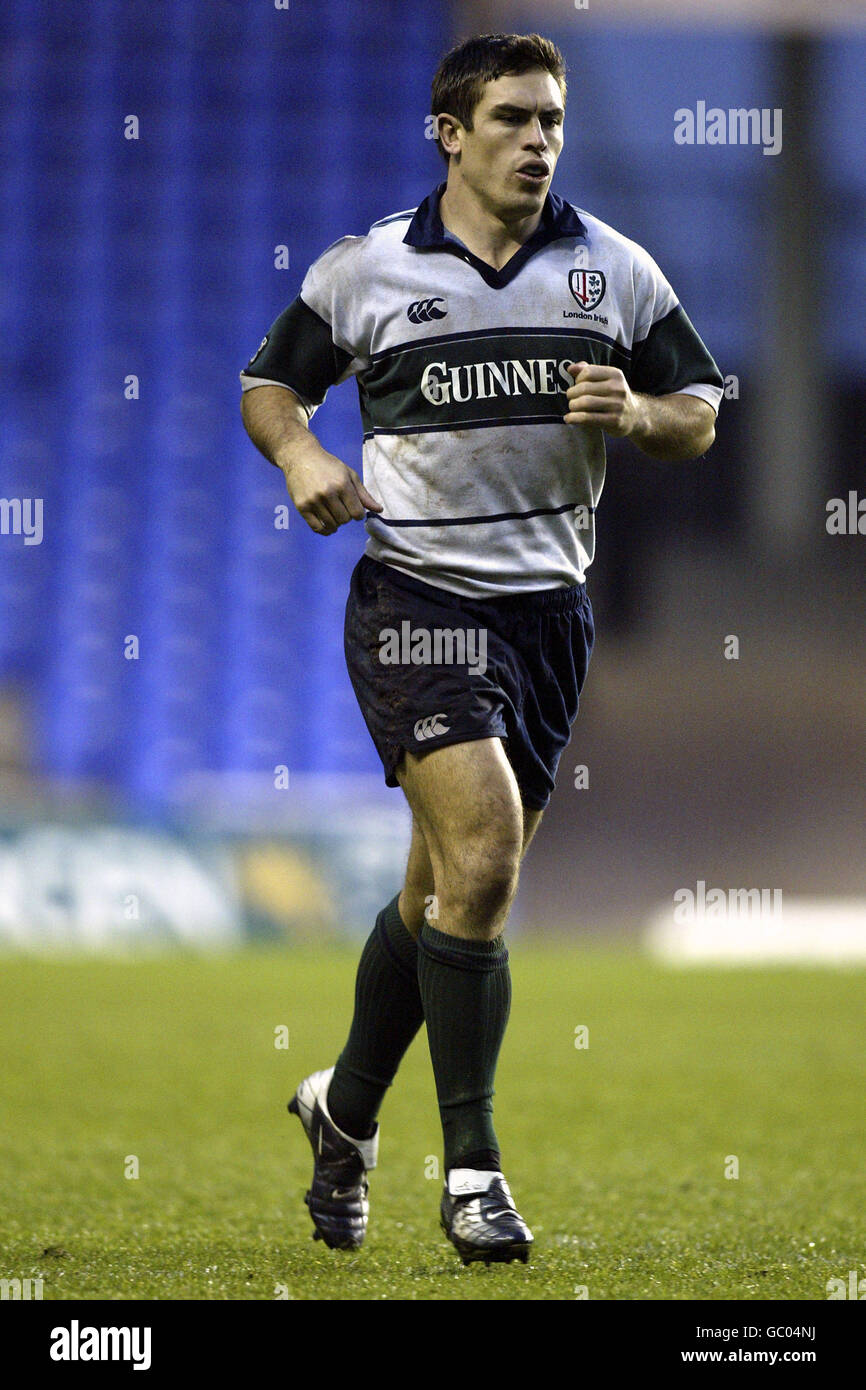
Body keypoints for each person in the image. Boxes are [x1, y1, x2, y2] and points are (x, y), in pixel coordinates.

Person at [239, 32, 722, 1265]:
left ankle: (341, 1112)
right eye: (510, 119)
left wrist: (645, 412)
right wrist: (302, 456)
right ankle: (473, 1175)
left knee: (441, 890)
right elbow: (268, 384)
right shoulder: (369, 271)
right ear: (449, 134)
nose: (537, 140)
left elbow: (699, 413)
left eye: (550, 120)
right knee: (491, 853)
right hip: (415, 595)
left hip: (548, 618)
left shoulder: (611, 270)